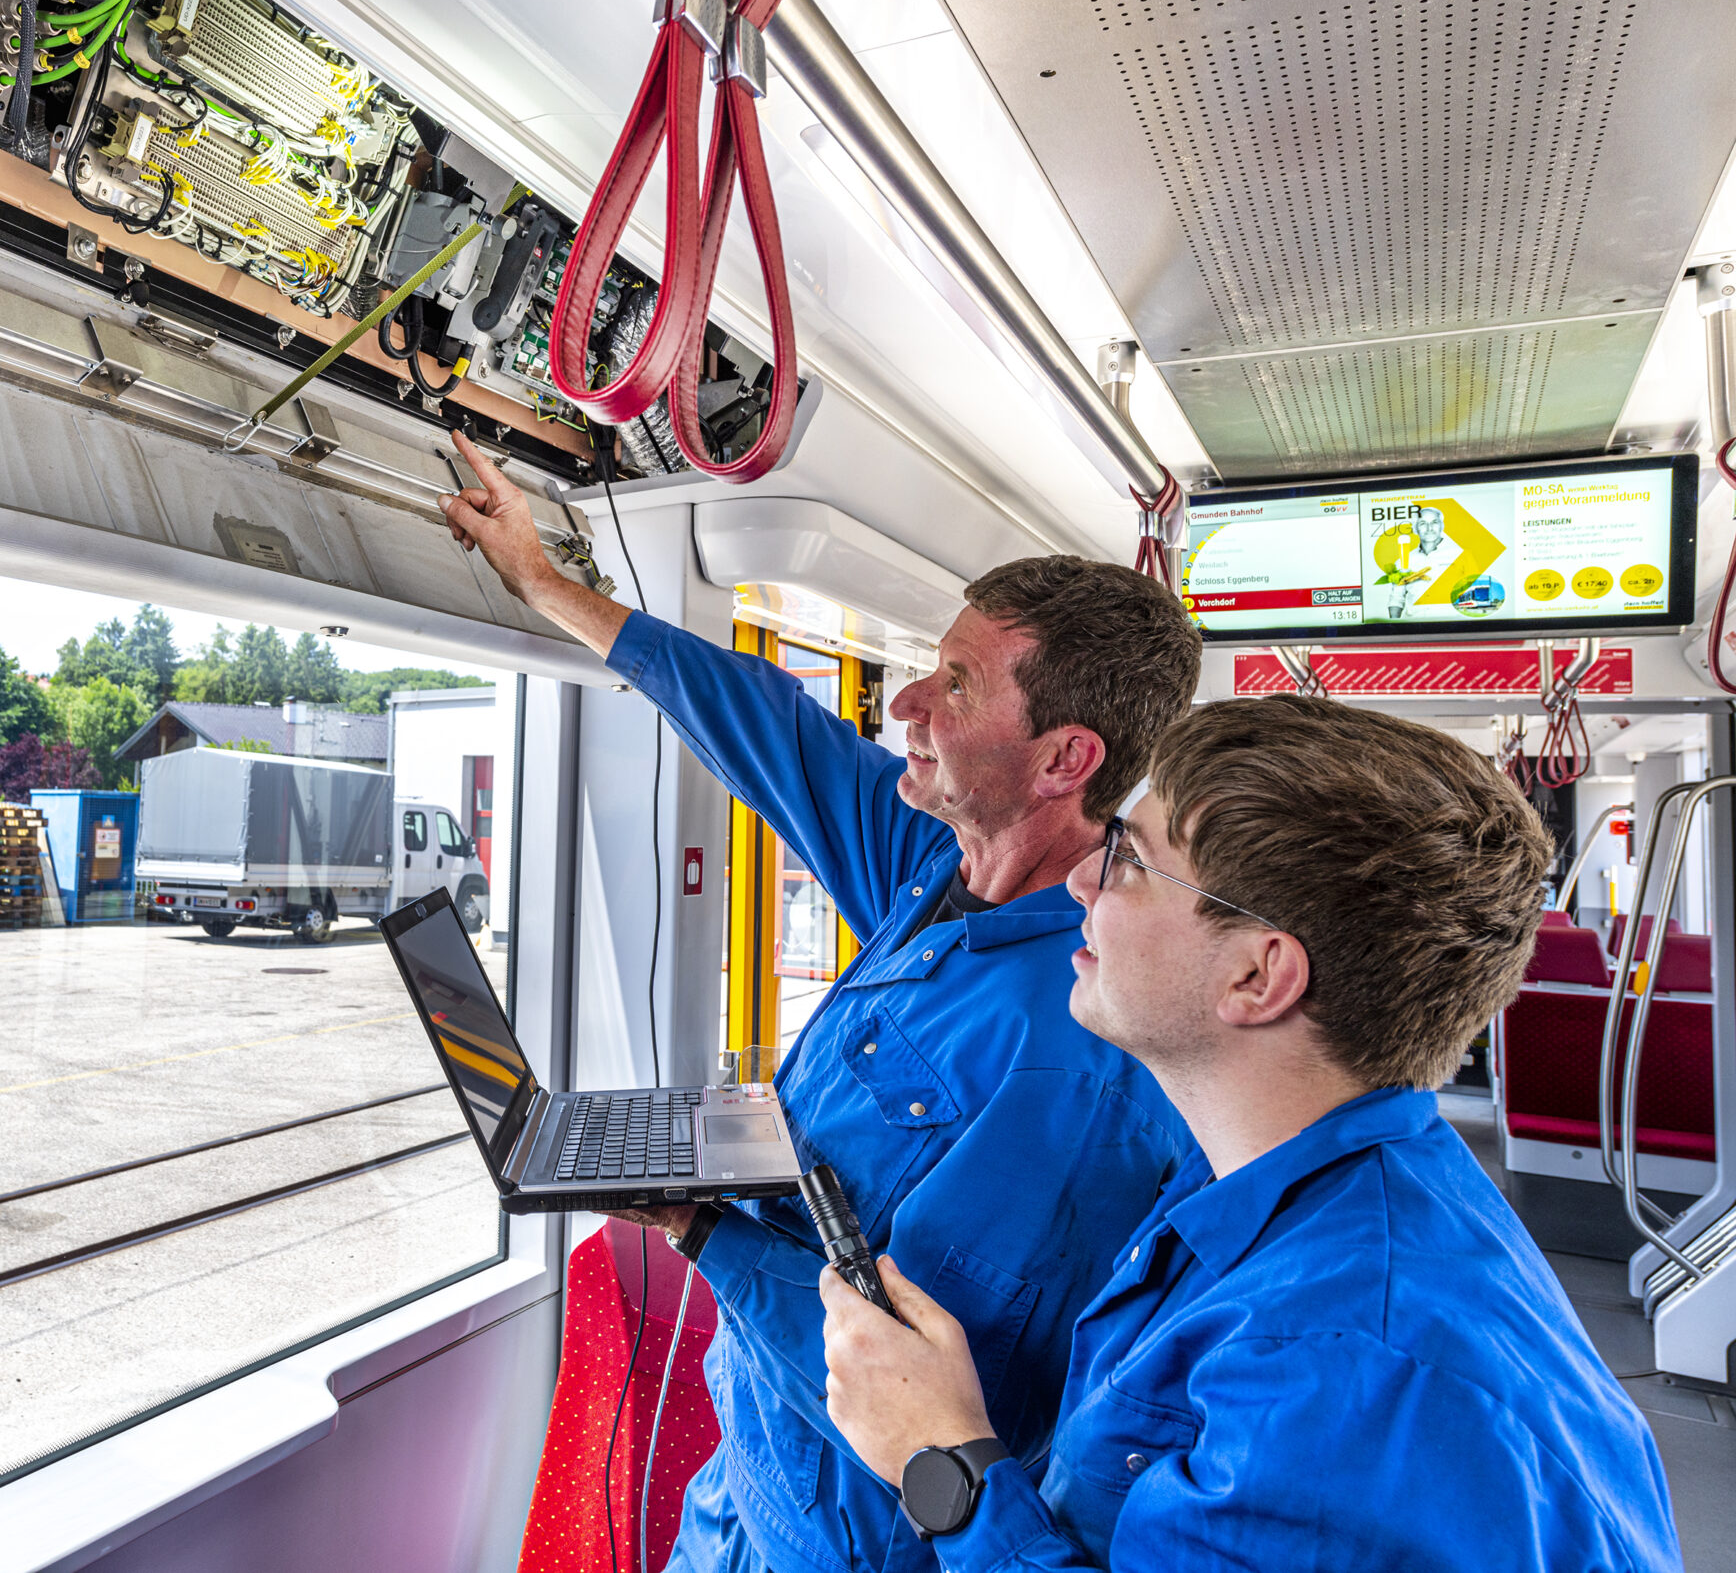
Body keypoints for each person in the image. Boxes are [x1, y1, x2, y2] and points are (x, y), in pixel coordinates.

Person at [437, 428, 1203, 1573]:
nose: (906, 703)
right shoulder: (929, 859)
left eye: (954, 685)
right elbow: (762, 723)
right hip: (747, 1472)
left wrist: (698, 1224)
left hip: (849, 1532)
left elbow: (939, 1384)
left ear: (1061, 761)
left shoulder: (1084, 1047)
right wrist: (547, 584)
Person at [817, 695, 1679, 1570]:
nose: (1080, 879)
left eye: (1128, 860)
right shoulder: (1293, 1179)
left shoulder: (1338, 1374)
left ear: (1258, 974)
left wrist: (942, 1454)